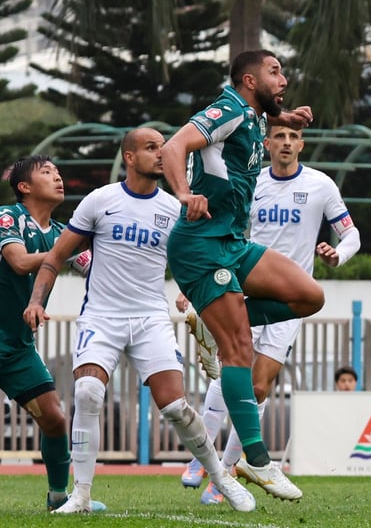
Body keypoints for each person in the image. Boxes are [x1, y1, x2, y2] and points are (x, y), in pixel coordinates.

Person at [23, 129, 256, 513]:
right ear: (129, 157)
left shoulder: (174, 208)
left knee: (175, 408)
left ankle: (220, 478)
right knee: (87, 393)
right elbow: (56, 256)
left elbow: (196, 260)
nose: (161, 153)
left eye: (163, 147)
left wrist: (193, 293)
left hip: (151, 319)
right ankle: (81, 495)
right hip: (102, 317)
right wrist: (36, 301)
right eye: (151, 148)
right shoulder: (100, 200)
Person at [161, 49, 320, 501]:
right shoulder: (228, 109)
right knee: (239, 352)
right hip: (201, 244)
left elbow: (255, 117)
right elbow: (174, 147)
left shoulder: (250, 114)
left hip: (231, 242)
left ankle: (218, 322)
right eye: (275, 72)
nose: (283, 79)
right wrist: (183, 193)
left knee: (309, 296)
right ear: (250, 81)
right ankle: (258, 461)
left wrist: (283, 115)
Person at [178, 124, 361, 504]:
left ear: (302, 144)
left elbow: (352, 234)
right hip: (244, 284)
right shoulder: (252, 182)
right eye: (279, 136)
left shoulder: (321, 185)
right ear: (266, 144)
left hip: (286, 302)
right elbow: (222, 235)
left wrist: (338, 255)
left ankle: (225, 474)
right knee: (233, 364)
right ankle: (202, 460)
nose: (287, 142)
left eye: (293, 137)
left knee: (258, 387)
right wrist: (193, 282)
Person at [0, 155, 107, 514]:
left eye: (58, 172)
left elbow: (96, 269)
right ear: (24, 187)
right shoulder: (8, 217)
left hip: (17, 348)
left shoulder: (63, 234)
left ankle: (58, 497)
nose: (57, 178)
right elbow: (18, 262)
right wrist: (63, 253)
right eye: (47, 172)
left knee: (55, 419)